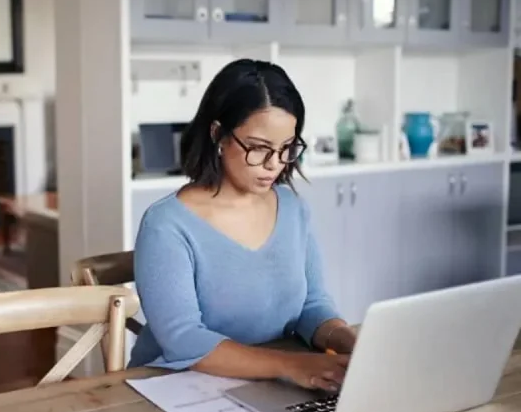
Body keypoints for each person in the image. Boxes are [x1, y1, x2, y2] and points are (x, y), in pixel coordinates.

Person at [130, 58, 357, 392]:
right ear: (218, 134)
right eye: (258, 148)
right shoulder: (167, 224)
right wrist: (290, 365)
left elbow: (312, 305)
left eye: (285, 149)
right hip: (174, 389)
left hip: (267, 384)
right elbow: (183, 339)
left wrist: (348, 340)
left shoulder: (294, 210)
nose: (274, 165)